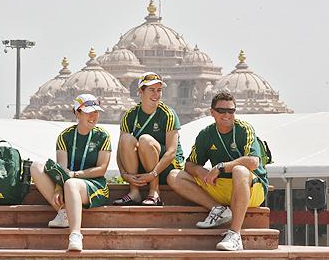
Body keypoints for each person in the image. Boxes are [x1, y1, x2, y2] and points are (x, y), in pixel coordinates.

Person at [167, 91, 268, 251]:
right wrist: (201, 171)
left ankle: (235, 234)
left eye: (231, 111)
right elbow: (189, 164)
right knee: (174, 176)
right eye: (222, 111)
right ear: (212, 112)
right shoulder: (206, 134)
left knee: (240, 170)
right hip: (221, 188)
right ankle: (219, 210)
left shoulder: (244, 129)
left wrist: (221, 167)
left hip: (251, 189)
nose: (227, 115)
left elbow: (254, 162)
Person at [30, 94, 111, 251]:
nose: (94, 116)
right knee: (36, 166)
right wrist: (58, 189)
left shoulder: (103, 135)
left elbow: (101, 169)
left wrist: (75, 175)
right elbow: (61, 169)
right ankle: (63, 213)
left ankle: (75, 234)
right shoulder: (65, 136)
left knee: (71, 183)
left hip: (94, 185)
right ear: (77, 113)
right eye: (89, 112)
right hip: (69, 182)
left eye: (96, 112)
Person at [113, 72, 184, 206]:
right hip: (143, 169)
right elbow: (120, 149)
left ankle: (154, 192)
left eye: (159, 90)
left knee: (145, 140)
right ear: (141, 91)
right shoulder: (130, 115)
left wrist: (153, 173)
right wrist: (123, 174)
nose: (156, 94)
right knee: (126, 139)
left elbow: (172, 152)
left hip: (166, 168)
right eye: (151, 90)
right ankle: (134, 192)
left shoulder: (168, 113)